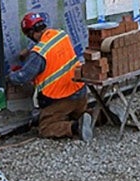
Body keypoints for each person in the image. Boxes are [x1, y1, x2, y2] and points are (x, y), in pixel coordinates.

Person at [6, 13, 93, 141]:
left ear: (31, 33)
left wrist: (9, 77)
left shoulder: (38, 54)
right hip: (80, 93)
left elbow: (22, 76)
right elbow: (52, 53)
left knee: (46, 127)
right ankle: (104, 115)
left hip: (61, 99)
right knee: (81, 113)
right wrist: (30, 53)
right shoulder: (60, 35)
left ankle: (75, 127)